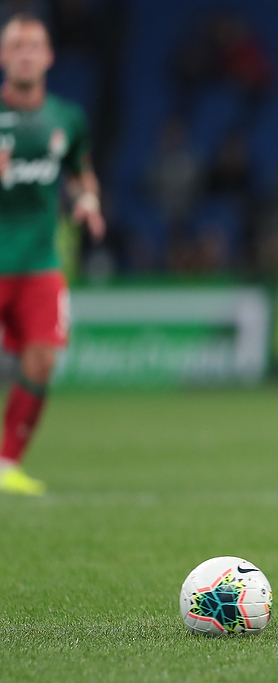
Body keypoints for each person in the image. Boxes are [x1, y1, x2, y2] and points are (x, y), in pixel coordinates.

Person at [0, 13, 104, 495]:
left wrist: (88, 200)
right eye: (16, 45)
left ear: (49, 56)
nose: (25, 54)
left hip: (40, 263)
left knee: (42, 360)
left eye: (33, 45)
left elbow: (81, 172)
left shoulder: (67, 118)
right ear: (3, 57)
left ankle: (7, 465)